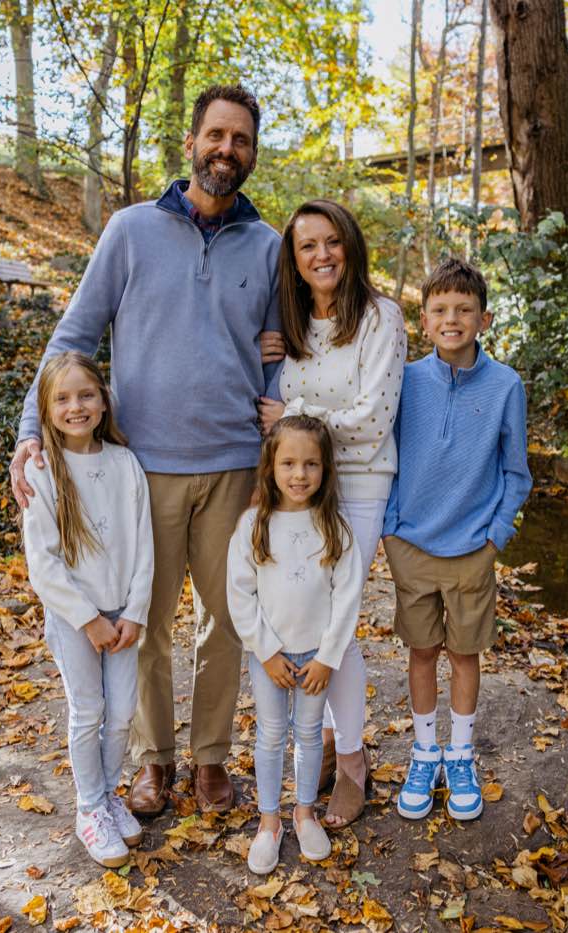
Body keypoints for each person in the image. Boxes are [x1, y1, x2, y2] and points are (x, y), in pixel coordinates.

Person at [10, 84, 284, 816]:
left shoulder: (268, 246)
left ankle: (211, 758)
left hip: (233, 466)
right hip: (146, 469)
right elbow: (72, 336)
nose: (228, 150)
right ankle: (152, 757)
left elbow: (282, 353)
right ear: (191, 143)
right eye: (217, 136)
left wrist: (278, 428)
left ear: (252, 154)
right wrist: (30, 431)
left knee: (227, 623)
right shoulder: (130, 231)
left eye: (242, 140)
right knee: (147, 620)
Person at [256, 200, 406, 828]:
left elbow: (373, 423)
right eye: (307, 246)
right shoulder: (288, 331)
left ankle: (350, 763)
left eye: (331, 242)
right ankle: (320, 748)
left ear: (350, 246)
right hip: (302, 493)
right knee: (307, 618)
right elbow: (268, 411)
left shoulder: (382, 318)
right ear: (294, 260)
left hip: (361, 486)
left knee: (336, 622)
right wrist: (271, 360)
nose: (321, 255)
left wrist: (295, 418)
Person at [382, 258, 531, 822]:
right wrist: (392, 529)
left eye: (464, 310)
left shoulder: (505, 385)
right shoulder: (407, 380)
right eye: (441, 309)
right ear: (424, 320)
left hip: (473, 551)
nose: (452, 319)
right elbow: (385, 455)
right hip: (412, 547)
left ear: (483, 318)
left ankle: (461, 754)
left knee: (464, 654)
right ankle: (425, 752)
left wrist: (495, 537)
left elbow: (516, 472)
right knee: (422, 652)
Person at [20, 352, 154, 867]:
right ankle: (89, 808)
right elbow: (43, 563)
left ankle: (108, 793)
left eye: (86, 395)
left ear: (103, 401)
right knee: (89, 711)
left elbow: (144, 544)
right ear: (46, 408)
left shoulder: (124, 464)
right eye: (63, 398)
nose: (76, 406)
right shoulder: (43, 470)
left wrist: (135, 612)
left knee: (121, 713)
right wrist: (89, 619)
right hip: (77, 618)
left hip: (123, 614)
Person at [226, 416, 364, 874]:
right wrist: (264, 651)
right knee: (269, 734)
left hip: (315, 659)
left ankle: (303, 813)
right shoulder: (253, 524)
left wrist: (328, 657)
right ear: (270, 467)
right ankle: (269, 821)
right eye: (288, 463)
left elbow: (347, 596)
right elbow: (240, 594)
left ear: (325, 469)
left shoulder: (335, 527)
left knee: (307, 735)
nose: (299, 474)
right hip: (270, 656)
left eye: (310, 464)